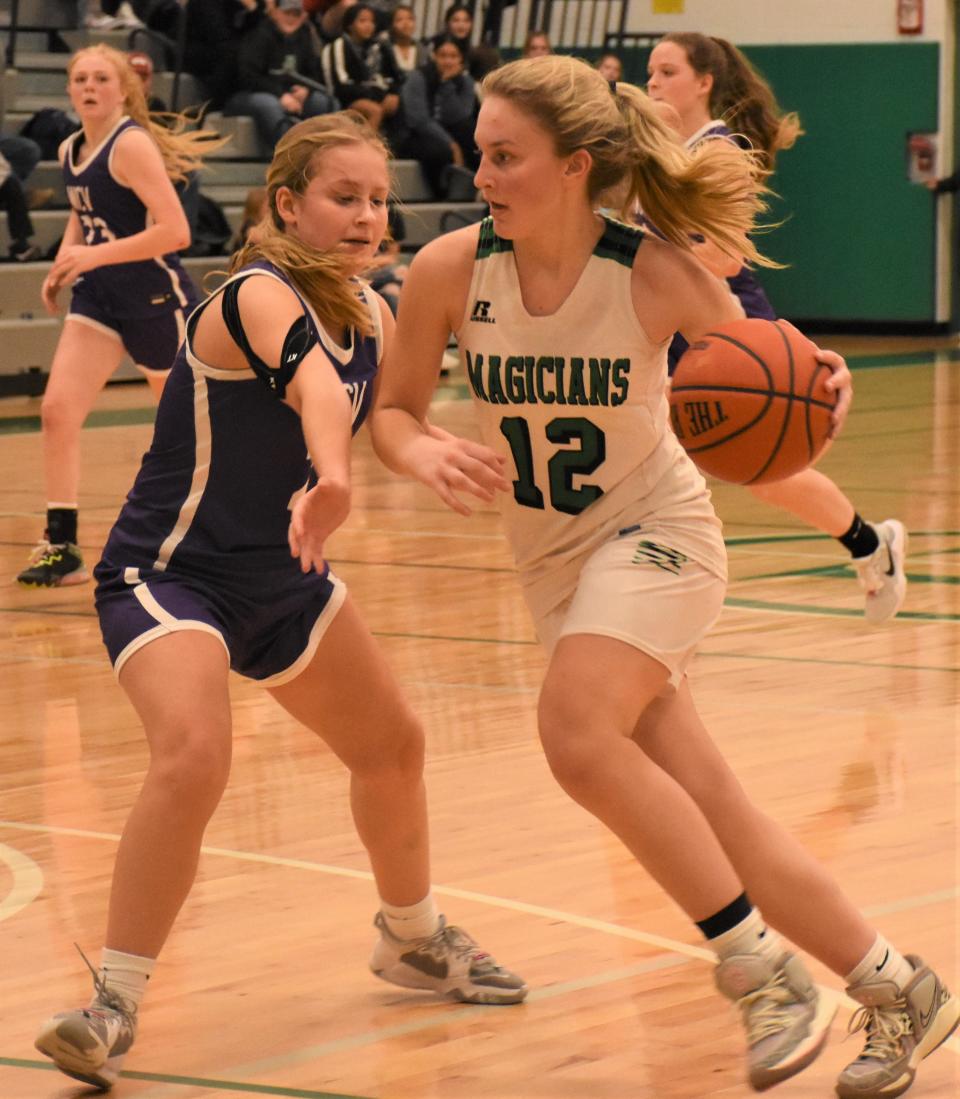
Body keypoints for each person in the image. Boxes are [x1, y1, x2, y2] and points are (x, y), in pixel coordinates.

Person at [370, 55, 959, 1098]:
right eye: (479, 153)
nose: (482, 174)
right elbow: (396, 411)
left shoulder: (653, 273)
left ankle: (760, 967)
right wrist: (418, 451)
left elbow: (784, 378)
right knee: (716, 808)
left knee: (573, 733)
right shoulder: (450, 270)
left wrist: (823, 385)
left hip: (658, 534)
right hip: (551, 565)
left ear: (575, 165)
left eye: (506, 156)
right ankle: (897, 983)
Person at [32, 112, 527, 1093]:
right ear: (287, 203)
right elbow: (316, 390)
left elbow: (386, 414)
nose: (368, 215)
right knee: (194, 755)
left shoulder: (373, 314)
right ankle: (112, 1003)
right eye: (345, 197)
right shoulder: (255, 293)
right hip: (170, 576)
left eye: (380, 199)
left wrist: (422, 450)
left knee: (394, 746)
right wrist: (335, 477)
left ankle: (412, 936)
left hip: (282, 579)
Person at [646, 32, 907, 624]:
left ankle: (871, 544)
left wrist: (648, 243)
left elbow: (726, 258)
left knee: (760, 465)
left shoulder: (720, 150)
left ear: (704, 82)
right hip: (671, 317)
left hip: (724, 319)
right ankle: (871, 544)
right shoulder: (664, 149)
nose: (653, 84)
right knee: (723, 464)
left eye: (667, 72)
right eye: (650, 73)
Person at [15, 45, 225, 590]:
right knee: (59, 409)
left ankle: (223, 534)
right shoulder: (68, 147)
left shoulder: (131, 145)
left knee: (184, 427)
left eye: (101, 78)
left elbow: (176, 233)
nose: (89, 86)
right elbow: (84, 217)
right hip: (100, 298)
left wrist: (90, 256)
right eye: (80, 77)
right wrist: (65, 263)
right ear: (69, 89)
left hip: (154, 298)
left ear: (123, 89)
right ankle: (62, 545)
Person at [226, 0, 338, 157]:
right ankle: (289, 156)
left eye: (296, 14)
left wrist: (306, 89)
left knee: (324, 101)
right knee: (268, 104)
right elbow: (248, 77)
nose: (291, 18)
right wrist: (280, 95)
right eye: (287, 13)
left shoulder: (305, 36)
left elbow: (313, 74)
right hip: (249, 95)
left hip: (290, 95)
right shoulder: (258, 35)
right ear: (276, 12)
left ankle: (327, 154)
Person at [390, 34, 478, 199]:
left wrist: (447, 85)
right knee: (440, 151)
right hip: (414, 135)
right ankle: (442, 195)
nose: (448, 61)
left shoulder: (466, 81)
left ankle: (481, 188)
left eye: (453, 56)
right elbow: (419, 120)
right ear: (434, 56)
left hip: (447, 130)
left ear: (461, 59)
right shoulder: (417, 77)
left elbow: (461, 115)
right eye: (443, 55)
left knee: (471, 133)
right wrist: (451, 144)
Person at [319, 2, 402, 132]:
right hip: (343, 98)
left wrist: (389, 93)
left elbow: (389, 76)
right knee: (374, 111)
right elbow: (340, 85)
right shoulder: (338, 46)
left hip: (369, 95)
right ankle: (367, 149)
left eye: (372, 21)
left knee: (396, 103)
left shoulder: (374, 48)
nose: (369, 26)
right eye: (363, 21)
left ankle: (389, 148)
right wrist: (374, 93)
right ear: (350, 24)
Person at [385, 3, 429, 74]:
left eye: (410, 19)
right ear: (391, 24)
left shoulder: (423, 50)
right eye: (399, 20)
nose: (406, 23)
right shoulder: (384, 49)